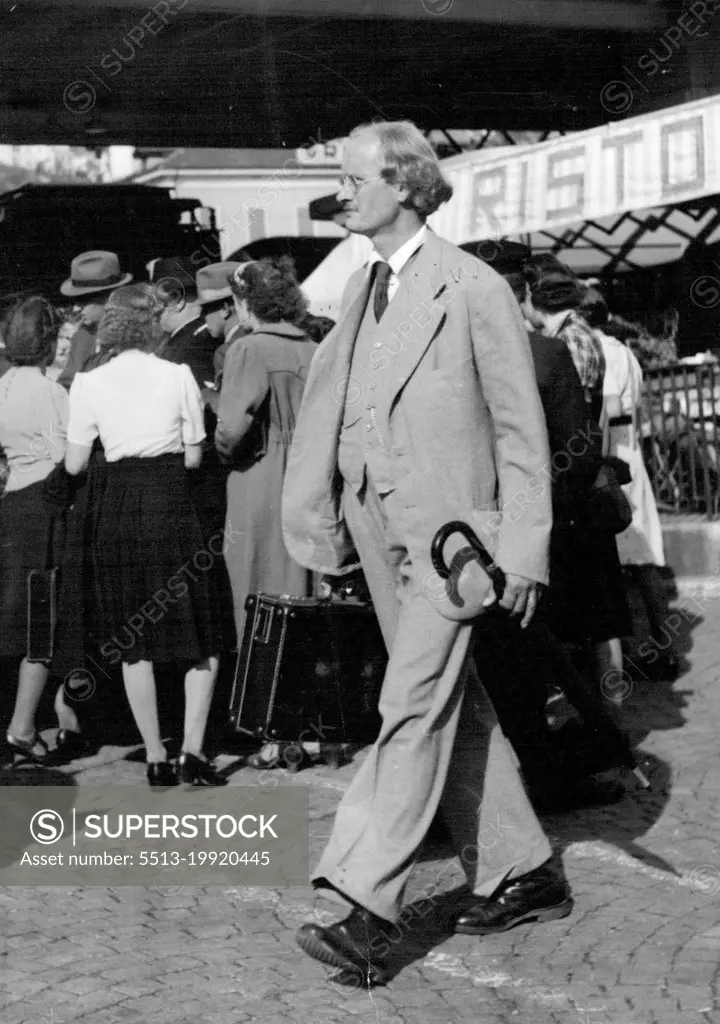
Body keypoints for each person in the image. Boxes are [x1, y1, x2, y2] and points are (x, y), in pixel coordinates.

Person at [282, 120, 570, 980]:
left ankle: (364, 906)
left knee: (410, 703)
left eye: (354, 177)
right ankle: (527, 868)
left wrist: (523, 550)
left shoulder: (471, 285)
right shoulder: (361, 288)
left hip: (455, 545)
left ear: (405, 184)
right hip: (379, 530)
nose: (343, 191)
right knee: (453, 704)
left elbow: (523, 433)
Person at [64, 284, 225, 787]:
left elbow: (72, 463)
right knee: (202, 634)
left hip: (117, 510)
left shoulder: (88, 384)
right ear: (152, 324)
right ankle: (193, 752)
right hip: (173, 501)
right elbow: (196, 455)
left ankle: (155, 754)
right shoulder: (176, 375)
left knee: (134, 640)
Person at [522, 256, 630, 698]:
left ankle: (609, 699)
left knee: (597, 608)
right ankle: (608, 696)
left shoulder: (569, 341)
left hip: (576, 484)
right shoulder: (575, 335)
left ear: (534, 297)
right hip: (578, 478)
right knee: (598, 605)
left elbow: (572, 421)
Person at [215, 258, 316, 701]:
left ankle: (264, 713)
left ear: (245, 303)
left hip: (259, 478)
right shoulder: (312, 347)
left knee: (254, 595)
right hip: (306, 477)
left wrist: (220, 447)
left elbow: (230, 430)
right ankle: (301, 712)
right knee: (300, 592)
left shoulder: (249, 349)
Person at [581, 285, 678, 681]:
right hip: (629, 454)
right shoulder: (625, 352)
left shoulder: (601, 353)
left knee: (622, 559)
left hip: (615, 457)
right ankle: (659, 645)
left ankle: (631, 654)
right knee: (641, 559)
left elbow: (607, 411)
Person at [0, 297, 68, 764]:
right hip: (44, 509)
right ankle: (23, 726)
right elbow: (70, 458)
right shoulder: (52, 393)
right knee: (40, 624)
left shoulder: (2, 386)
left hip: (10, 506)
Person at [57, 251, 134, 389]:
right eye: (75, 301)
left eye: (83, 301)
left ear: (109, 297)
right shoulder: (83, 335)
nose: (75, 308)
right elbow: (68, 381)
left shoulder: (137, 333)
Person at [152, 257, 217, 388]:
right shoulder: (207, 333)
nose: (154, 311)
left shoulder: (192, 348)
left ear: (177, 302)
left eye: (158, 304)